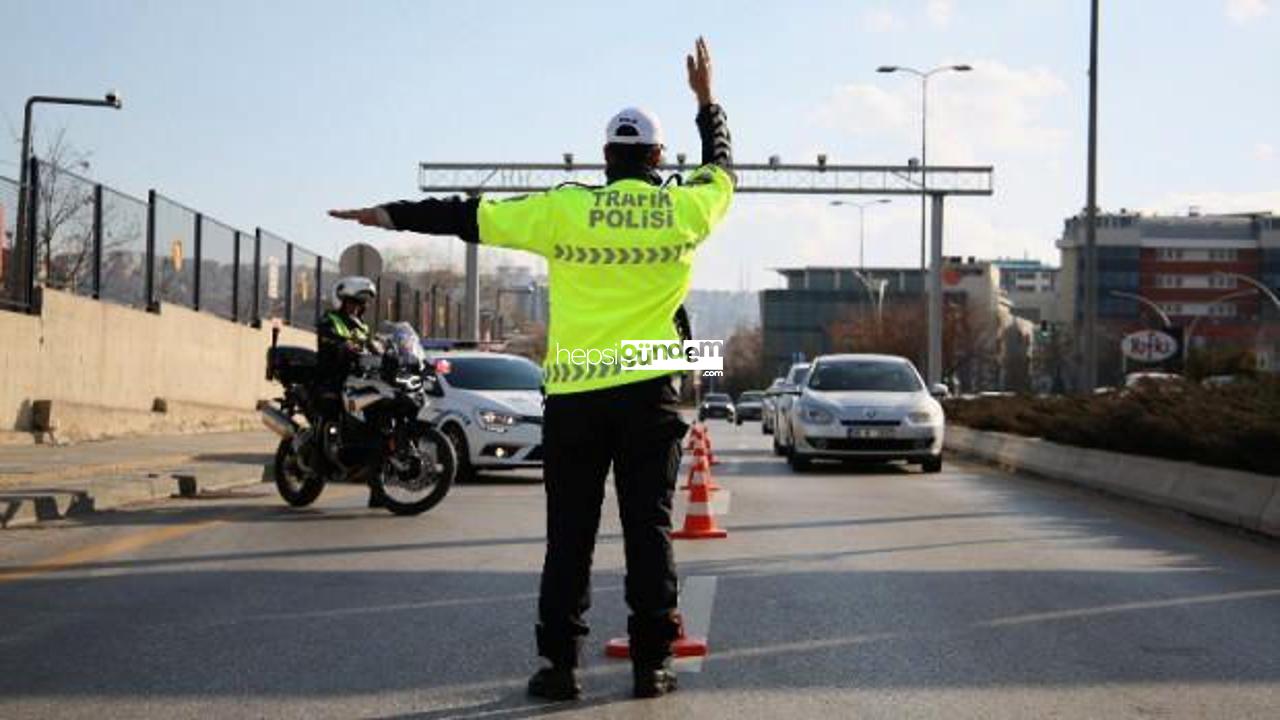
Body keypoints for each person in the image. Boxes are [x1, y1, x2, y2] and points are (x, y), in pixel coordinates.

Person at [329, 37, 733, 700]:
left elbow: (466, 215)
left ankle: (559, 669)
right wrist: (706, 102)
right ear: (658, 160)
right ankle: (650, 664)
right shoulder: (687, 207)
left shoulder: (564, 206)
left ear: (606, 159)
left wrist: (387, 214)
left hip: (576, 396)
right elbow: (723, 168)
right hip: (651, 395)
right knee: (649, 530)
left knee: (568, 537)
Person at [316, 276, 385, 508]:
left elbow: (372, 346)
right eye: (353, 302)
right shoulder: (330, 319)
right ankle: (318, 460)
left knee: (375, 429)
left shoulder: (362, 326)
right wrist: (341, 344)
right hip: (332, 379)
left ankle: (377, 490)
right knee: (330, 414)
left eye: (360, 303)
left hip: (356, 381)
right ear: (341, 301)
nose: (357, 307)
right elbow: (329, 337)